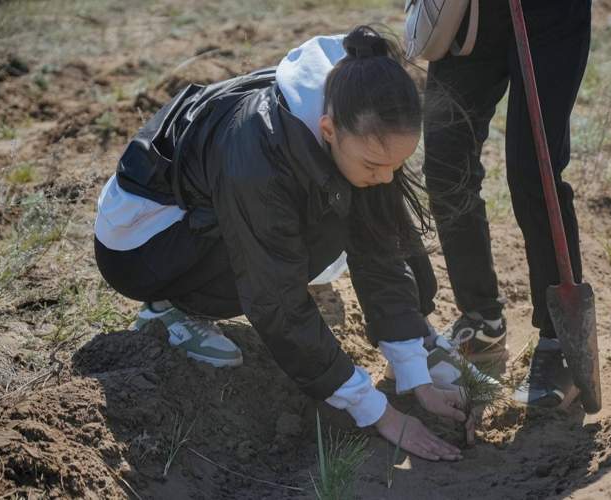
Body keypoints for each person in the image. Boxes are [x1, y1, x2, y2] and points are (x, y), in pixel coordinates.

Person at [93, 26, 469, 461]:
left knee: (358, 212)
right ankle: (169, 308)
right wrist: (377, 411)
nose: (386, 176)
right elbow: (275, 298)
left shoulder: (359, 110)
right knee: (323, 232)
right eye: (374, 164)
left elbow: (380, 250)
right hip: (143, 245)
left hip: (202, 215)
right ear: (328, 129)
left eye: (396, 164)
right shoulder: (258, 153)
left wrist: (414, 375)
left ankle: (414, 348)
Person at [423, 0, 592, 408]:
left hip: (549, 16)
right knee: (447, 166)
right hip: (468, 15)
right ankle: (482, 322)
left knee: (534, 170)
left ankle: (559, 343)